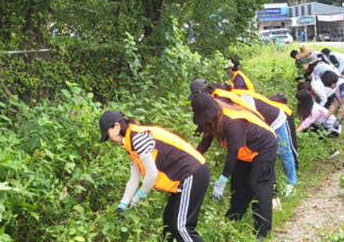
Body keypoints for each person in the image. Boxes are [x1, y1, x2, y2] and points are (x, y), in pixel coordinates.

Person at [98, 110, 209, 242]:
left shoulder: (138, 138)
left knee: (182, 228)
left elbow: (152, 175)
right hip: (184, 176)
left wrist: (140, 196)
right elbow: (134, 178)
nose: (110, 139)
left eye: (108, 134)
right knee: (169, 223)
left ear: (116, 127)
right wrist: (123, 204)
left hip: (192, 172)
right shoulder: (131, 141)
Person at [191, 93, 277, 240]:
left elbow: (233, 152)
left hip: (264, 146)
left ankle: (262, 231)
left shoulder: (232, 122)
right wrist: (192, 160)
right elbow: (205, 142)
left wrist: (223, 178)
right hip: (245, 150)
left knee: (258, 185)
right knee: (239, 185)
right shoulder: (212, 120)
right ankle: (234, 218)